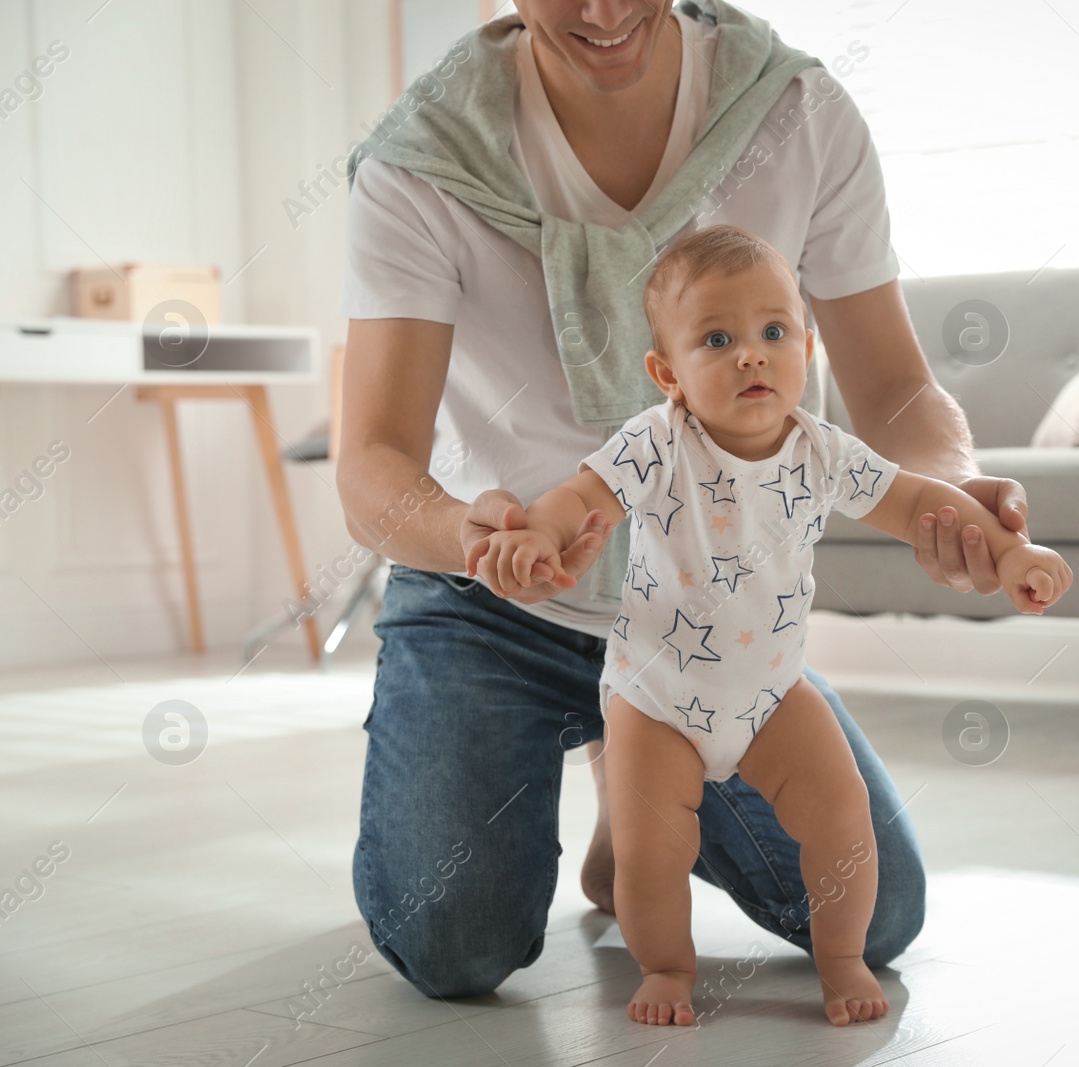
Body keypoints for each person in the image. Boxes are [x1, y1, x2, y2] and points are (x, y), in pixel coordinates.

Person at [335, 0, 1034, 1000]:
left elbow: (897, 392)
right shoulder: (419, 161)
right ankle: (627, 759)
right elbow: (372, 462)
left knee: (875, 916)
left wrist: (954, 486)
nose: (603, 9)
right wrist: (474, 533)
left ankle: (641, 796)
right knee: (456, 943)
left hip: (714, 620)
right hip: (492, 600)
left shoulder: (795, 111)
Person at [465, 224, 1070, 1025]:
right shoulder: (658, 441)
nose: (751, 354)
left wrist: (1007, 549)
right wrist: (537, 534)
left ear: (807, 349)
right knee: (656, 851)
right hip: (657, 698)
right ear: (667, 372)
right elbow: (579, 498)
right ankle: (669, 966)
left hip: (772, 692)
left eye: (773, 332)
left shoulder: (822, 451)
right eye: (717, 339)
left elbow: (922, 501)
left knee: (842, 811)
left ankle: (843, 957)